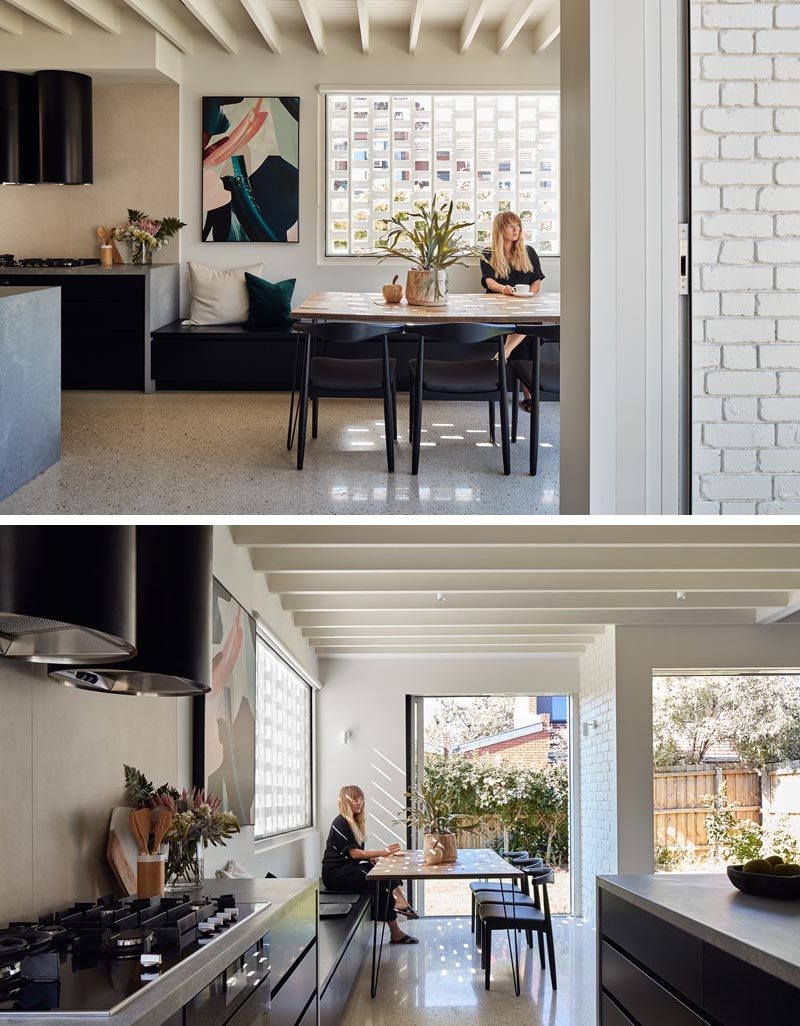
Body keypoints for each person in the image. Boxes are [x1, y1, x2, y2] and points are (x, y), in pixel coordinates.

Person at [322, 785, 419, 943]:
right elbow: (354, 854)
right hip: (336, 874)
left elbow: (354, 854)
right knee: (379, 881)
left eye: (361, 799)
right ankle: (396, 931)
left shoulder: (353, 822)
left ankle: (401, 902)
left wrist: (370, 859)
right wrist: (382, 852)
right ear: (345, 802)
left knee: (383, 870)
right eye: (355, 799)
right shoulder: (340, 822)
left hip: (348, 869)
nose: (359, 802)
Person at [479, 212, 546, 409]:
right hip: (498, 307)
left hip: (525, 307)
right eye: (510, 226)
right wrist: (503, 289)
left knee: (528, 329)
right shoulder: (488, 253)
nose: (516, 229)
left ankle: (504, 351)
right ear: (500, 229)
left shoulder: (529, 252)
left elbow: (536, 281)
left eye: (517, 225)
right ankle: (529, 395)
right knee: (527, 332)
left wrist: (530, 296)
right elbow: (488, 281)